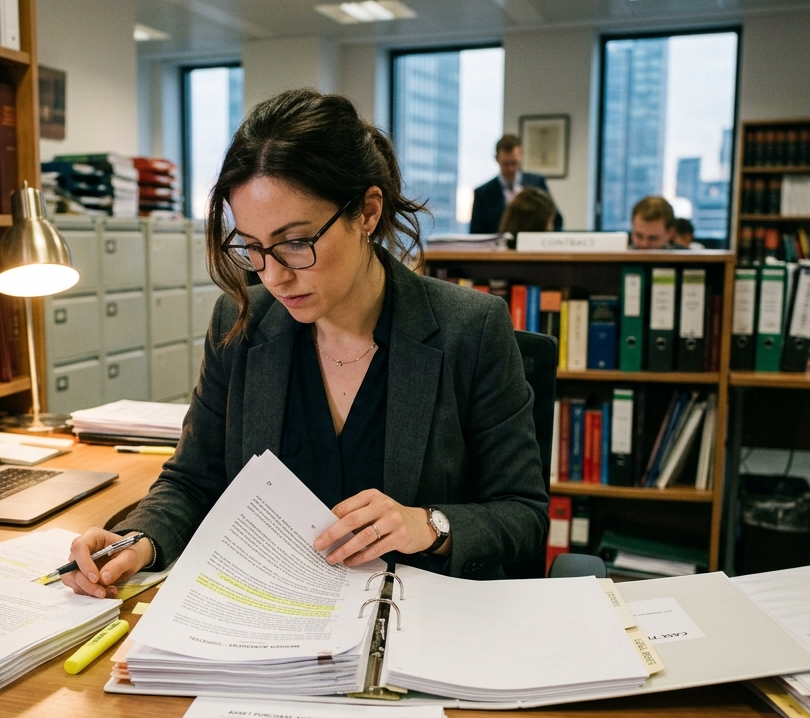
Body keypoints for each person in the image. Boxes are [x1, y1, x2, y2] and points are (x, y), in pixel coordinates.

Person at [61, 89, 550, 598]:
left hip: (415, 622)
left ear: (367, 211)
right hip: (270, 615)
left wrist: (428, 524)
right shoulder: (241, 322)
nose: (273, 276)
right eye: (253, 248)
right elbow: (192, 480)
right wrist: (137, 541)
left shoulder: (469, 329)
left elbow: (522, 515)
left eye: (296, 242)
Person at [469, 134, 562, 234]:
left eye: (514, 163)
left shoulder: (537, 183)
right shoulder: (483, 193)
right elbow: (476, 232)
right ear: (497, 159)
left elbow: (555, 219)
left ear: (521, 156)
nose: (510, 169)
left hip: (532, 246)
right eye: (505, 164)